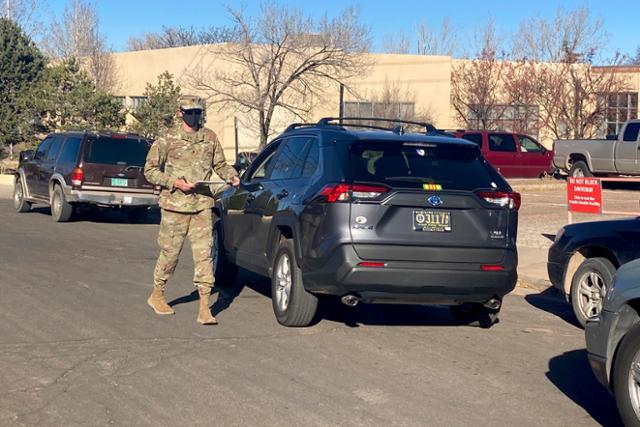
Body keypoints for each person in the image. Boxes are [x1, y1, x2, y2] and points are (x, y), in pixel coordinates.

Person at [144, 95, 240, 325]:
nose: (194, 116)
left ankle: (205, 308)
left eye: (198, 112)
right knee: (170, 255)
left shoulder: (210, 137)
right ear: (180, 112)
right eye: (190, 112)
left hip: (201, 206)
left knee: (204, 256)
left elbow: (220, 165)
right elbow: (150, 170)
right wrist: (175, 183)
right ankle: (157, 294)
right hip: (175, 206)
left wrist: (232, 176)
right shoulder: (167, 138)